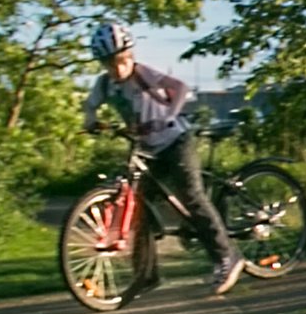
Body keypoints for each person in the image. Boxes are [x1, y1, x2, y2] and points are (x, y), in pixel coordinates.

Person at [81, 20, 277, 294]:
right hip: (147, 149)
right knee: (139, 209)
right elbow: (90, 105)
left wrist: (168, 115)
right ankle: (145, 276)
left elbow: (180, 88)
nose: (116, 68)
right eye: (109, 63)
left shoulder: (142, 75)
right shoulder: (104, 85)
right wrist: (90, 120)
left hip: (175, 141)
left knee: (192, 196)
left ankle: (227, 258)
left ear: (130, 55)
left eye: (121, 60)